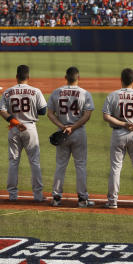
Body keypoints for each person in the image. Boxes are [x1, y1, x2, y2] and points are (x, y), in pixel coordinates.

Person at [0, 64, 48, 202]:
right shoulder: (35, 91)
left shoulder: (8, 92)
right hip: (30, 128)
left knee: (13, 162)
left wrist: (15, 121)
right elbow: (43, 111)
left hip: (14, 128)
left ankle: (12, 196)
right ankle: (38, 196)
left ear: (16, 77)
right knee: (35, 162)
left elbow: (2, 110)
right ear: (28, 77)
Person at [102, 68, 133, 209]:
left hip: (118, 134)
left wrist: (122, 122)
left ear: (121, 79)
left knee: (116, 168)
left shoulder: (112, 95)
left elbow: (106, 116)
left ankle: (112, 201)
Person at [47, 66, 95, 207]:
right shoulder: (85, 94)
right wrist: (73, 127)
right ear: (78, 78)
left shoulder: (57, 92)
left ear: (65, 78)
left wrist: (62, 127)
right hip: (78, 132)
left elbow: (50, 113)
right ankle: (82, 199)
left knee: (60, 165)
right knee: (80, 165)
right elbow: (87, 115)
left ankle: (56, 198)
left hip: (62, 133)